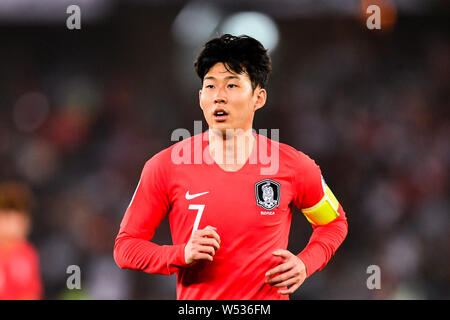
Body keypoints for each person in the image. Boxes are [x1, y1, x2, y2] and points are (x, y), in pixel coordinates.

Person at [114, 34, 348, 300]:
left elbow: (334, 223)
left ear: (258, 98)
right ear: (201, 97)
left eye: (232, 85)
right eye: (211, 86)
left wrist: (306, 263)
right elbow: (126, 247)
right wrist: (180, 254)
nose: (219, 97)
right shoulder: (164, 167)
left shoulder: (294, 166)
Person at [0, 181, 43, 299]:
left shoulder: (27, 254)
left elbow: (31, 293)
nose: (13, 225)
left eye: (20, 219)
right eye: (7, 217)